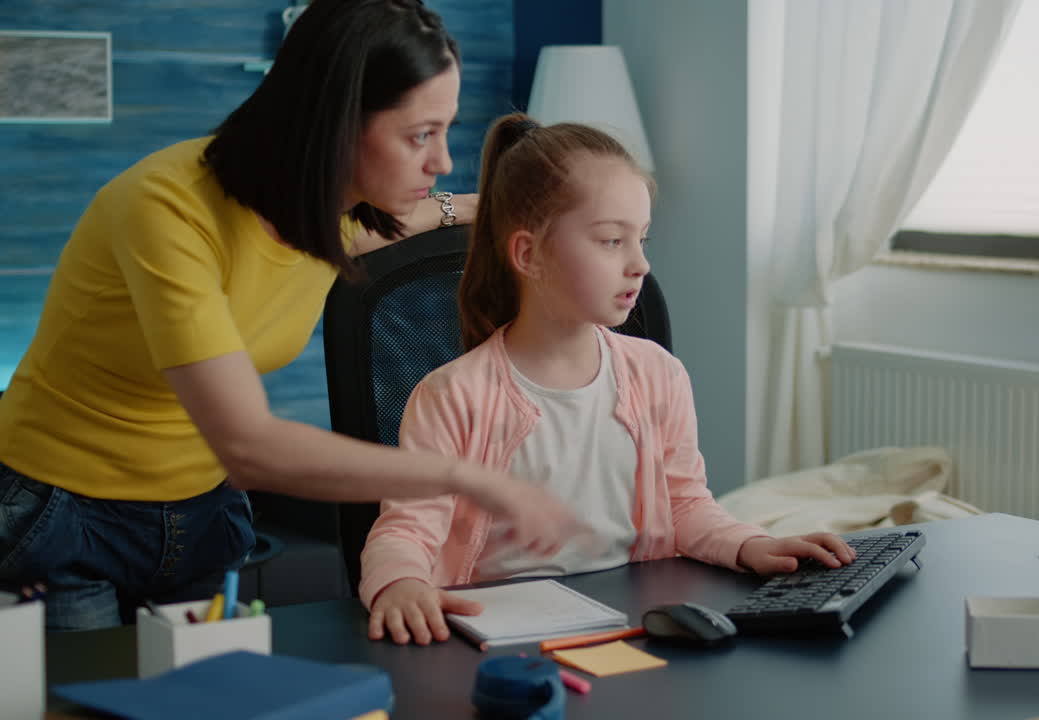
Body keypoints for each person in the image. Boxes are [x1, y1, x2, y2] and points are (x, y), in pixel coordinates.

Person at [0, 0, 579, 632]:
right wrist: (467, 477)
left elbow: (410, 215)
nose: (441, 159)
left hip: (201, 513)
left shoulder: (328, 213)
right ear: (335, 123)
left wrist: (504, 208)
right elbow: (249, 445)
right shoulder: (166, 212)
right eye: (420, 135)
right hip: (65, 517)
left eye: (445, 130)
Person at [360, 113, 856, 646]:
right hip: (502, 643)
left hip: (634, 627)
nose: (640, 264)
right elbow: (407, 529)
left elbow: (686, 504)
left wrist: (750, 544)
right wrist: (401, 583)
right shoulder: (450, 396)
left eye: (641, 239)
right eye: (611, 241)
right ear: (528, 254)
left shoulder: (657, 375)